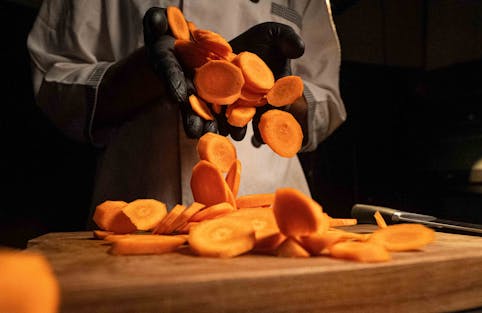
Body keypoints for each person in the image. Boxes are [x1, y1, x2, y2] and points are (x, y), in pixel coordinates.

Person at [27, 0, 346, 227]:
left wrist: (273, 91)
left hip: (271, 215)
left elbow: (327, 100)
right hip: (137, 212)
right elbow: (55, 83)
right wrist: (145, 73)